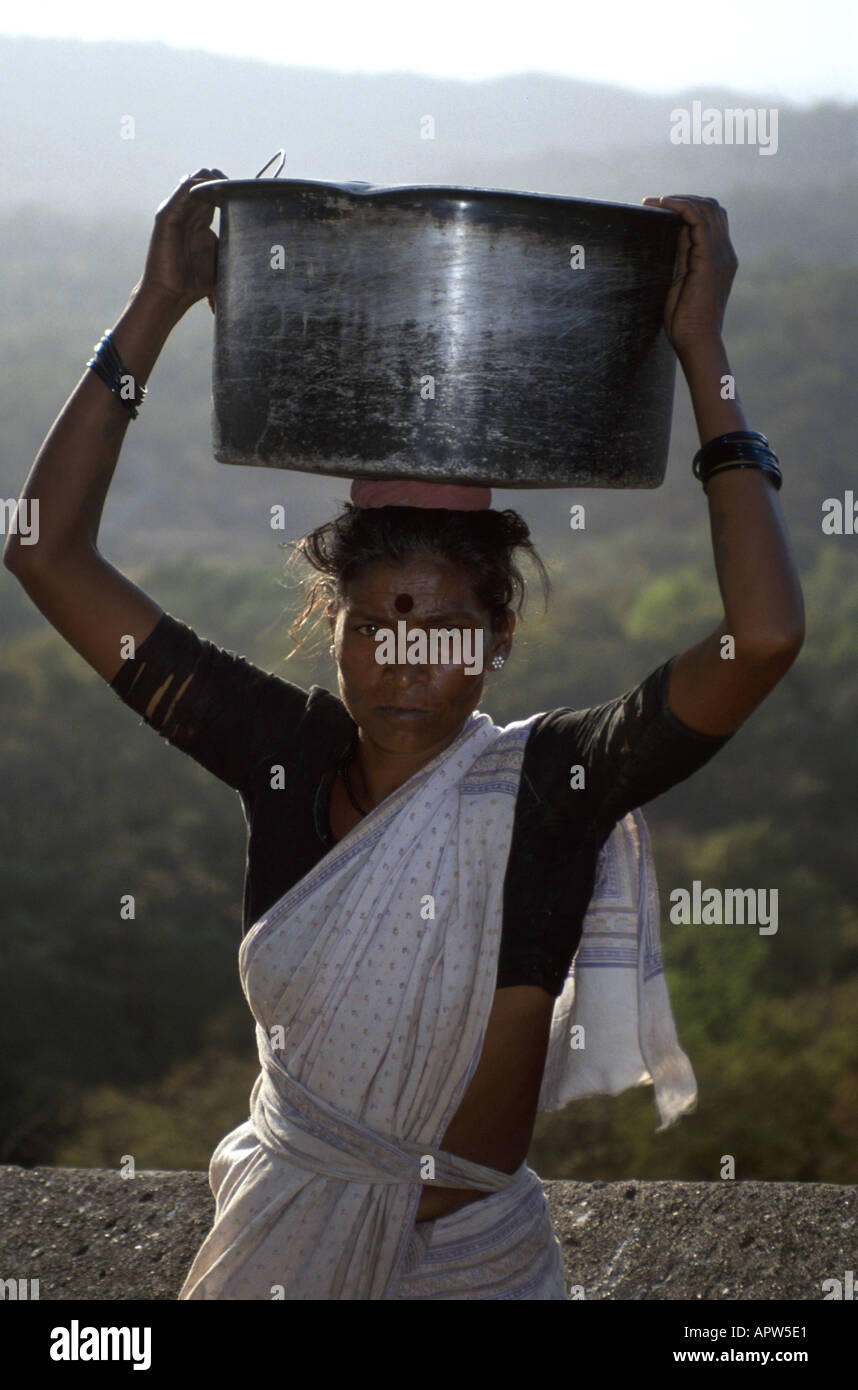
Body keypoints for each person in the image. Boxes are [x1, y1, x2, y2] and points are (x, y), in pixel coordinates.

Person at [4, 170, 804, 1300]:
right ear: (330, 625)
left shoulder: (551, 785)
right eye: (374, 622)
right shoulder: (282, 752)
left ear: (499, 636)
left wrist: (700, 351)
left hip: (476, 1272)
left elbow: (764, 636)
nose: (404, 659)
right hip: (280, 1242)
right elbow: (43, 550)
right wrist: (156, 308)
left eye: (442, 626)